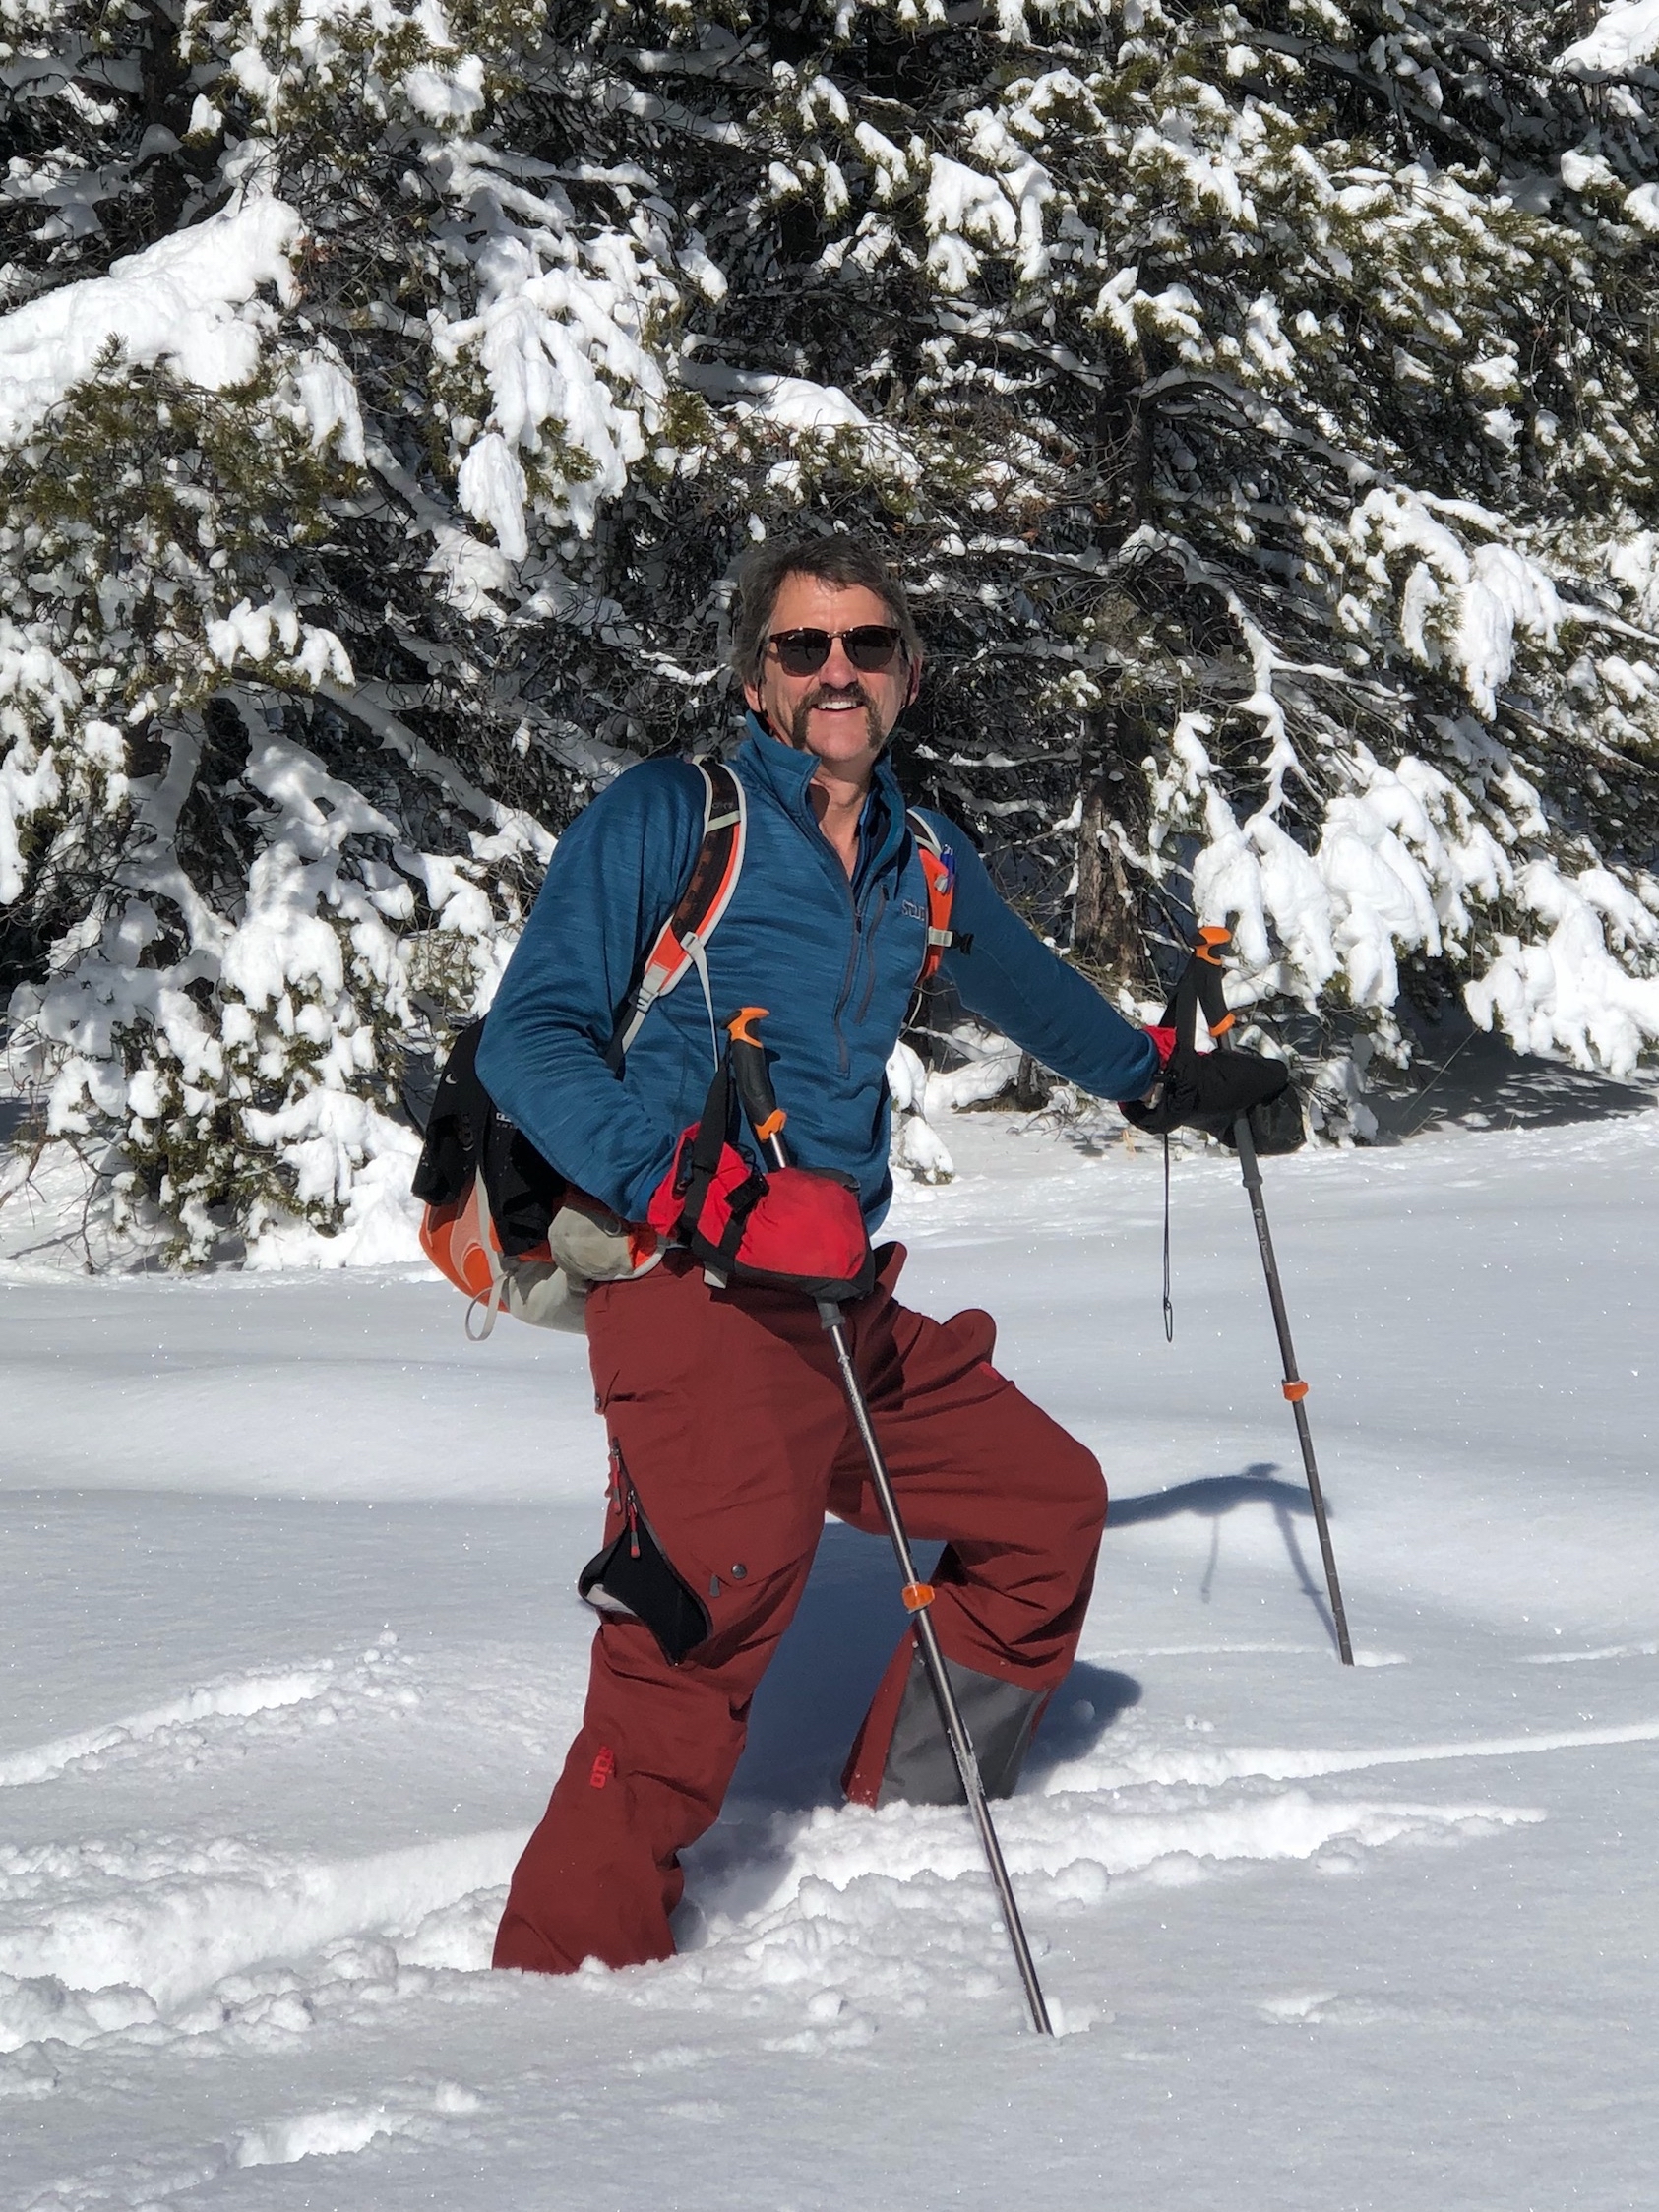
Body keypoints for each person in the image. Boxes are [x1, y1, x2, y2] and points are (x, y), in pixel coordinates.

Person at [476, 536, 1274, 1976]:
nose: (836, 671)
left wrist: (1155, 1080)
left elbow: (1019, 980)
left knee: (1042, 1508)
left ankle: (909, 1821)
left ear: (908, 671)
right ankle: (566, 1990)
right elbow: (527, 1039)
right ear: (752, 672)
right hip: (697, 1291)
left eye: (867, 645)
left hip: (842, 1299)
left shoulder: (917, 847)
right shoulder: (677, 815)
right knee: (696, 1632)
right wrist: (696, 1192)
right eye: (802, 647)